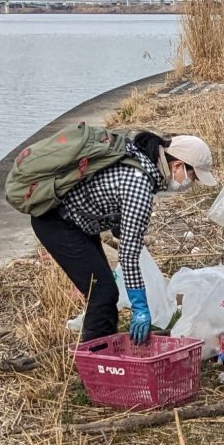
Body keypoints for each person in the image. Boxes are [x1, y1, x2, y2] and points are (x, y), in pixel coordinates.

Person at [32, 131, 212, 344]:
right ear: (178, 166)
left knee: (104, 290)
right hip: (58, 223)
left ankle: (104, 350)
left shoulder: (141, 160)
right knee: (103, 292)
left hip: (78, 222)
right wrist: (140, 306)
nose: (191, 184)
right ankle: (97, 360)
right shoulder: (141, 185)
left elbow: (110, 191)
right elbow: (128, 255)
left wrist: (121, 225)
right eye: (193, 177)